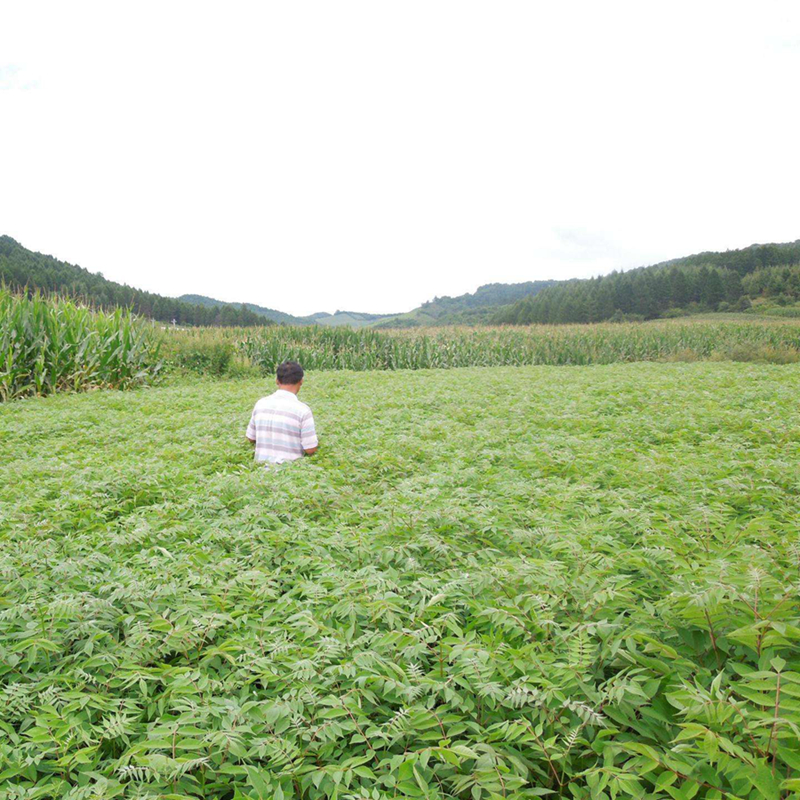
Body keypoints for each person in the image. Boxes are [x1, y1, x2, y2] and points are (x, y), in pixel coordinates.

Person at [245, 361, 319, 464]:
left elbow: (251, 438)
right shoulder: (303, 411)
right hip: (289, 473)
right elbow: (310, 449)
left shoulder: (260, 404)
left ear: (276, 381)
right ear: (301, 381)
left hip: (260, 473)